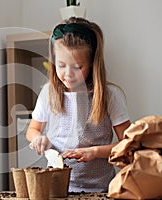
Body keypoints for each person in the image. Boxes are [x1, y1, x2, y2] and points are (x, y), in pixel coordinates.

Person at [26, 17, 131, 192]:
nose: (68, 74)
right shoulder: (48, 93)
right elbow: (32, 130)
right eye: (61, 65)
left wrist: (95, 152)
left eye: (77, 67)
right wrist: (38, 138)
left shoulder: (109, 95)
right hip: (57, 188)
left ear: (92, 64)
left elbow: (129, 143)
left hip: (101, 188)